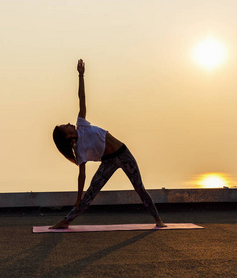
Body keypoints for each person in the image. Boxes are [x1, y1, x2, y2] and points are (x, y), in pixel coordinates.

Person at [50, 59, 166, 229]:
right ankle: (66, 221)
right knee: (90, 193)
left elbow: (82, 98)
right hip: (108, 162)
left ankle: (158, 220)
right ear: (66, 135)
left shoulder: (81, 124)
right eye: (64, 126)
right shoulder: (79, 149)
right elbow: (81, 175)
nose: (68, 123)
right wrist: (78, 195)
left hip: (123, 153)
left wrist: (81, 75)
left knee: (139, 187)